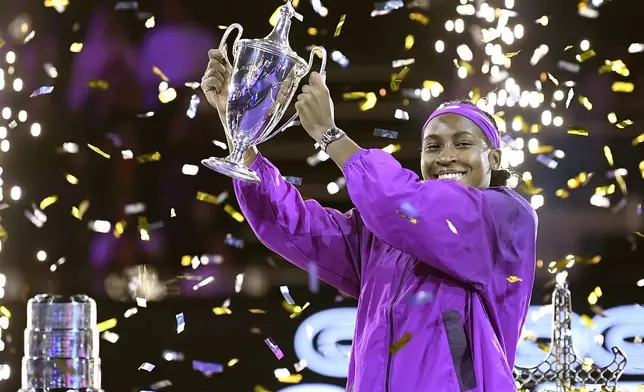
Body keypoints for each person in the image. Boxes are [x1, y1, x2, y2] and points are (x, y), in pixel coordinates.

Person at [201, 49, 537, 392]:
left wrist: (329, 135)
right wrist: (239, 131)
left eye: (463, 144)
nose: (446, 157)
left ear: (494, 158)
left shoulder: (505, 216)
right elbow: (294, 227)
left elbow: (400, 204)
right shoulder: (384, 231)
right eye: (432, 147)